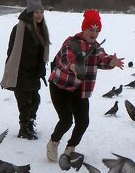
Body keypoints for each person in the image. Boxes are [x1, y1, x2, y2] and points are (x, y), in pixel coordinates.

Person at [45, 9, 124, 162]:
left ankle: (70, 149)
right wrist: (73, 66)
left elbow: (102, 58)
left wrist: (111, 62)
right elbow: (66, 58)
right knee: (66, 120)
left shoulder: (96, 46)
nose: (94, 33)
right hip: (61, 86)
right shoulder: (71, 42)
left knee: (83, 122)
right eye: (91, 29)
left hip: (80, 89)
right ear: (84, 29)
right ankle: (53, 143)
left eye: (97, 30)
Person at [0, 0, 50, 140]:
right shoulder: (19, 28)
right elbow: (11, 51)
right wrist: (12, 69)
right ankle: (24, 128)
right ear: (30, 13)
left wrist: (42, 67)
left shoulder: (41, 29)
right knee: (24, 101)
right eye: (36, 12)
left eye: (41, 12)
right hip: (20, 71)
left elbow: (42, 51)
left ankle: (31, 123)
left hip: (34, 71)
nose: (39, 15)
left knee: (35, 100)